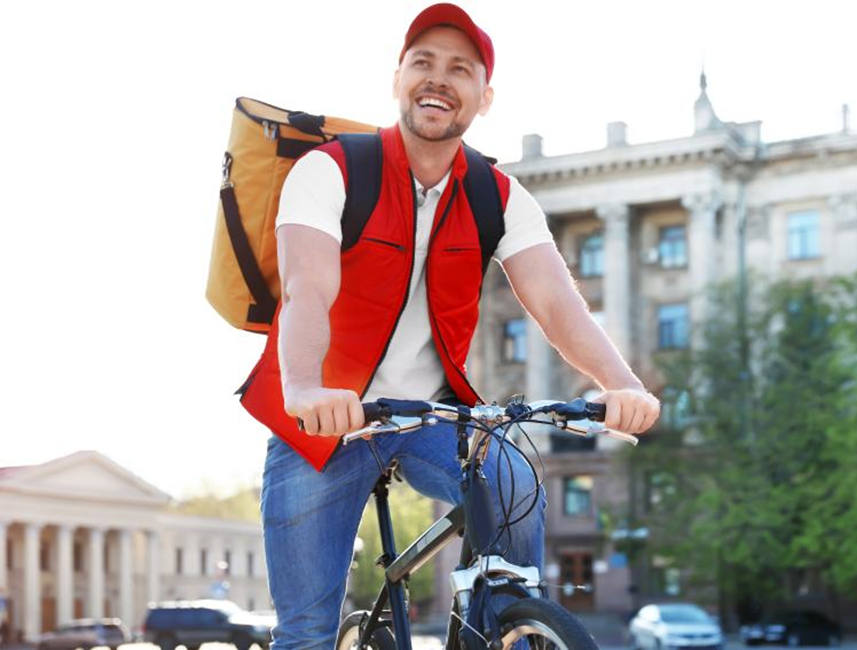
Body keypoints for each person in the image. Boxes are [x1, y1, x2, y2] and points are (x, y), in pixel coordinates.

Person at [237, 4, 661, 649]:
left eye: (460, 69)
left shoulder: (499, 195)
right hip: (324, 420)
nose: (439, 79)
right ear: (398, 78)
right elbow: (307, 289)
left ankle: (504, 618)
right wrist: (303, 389)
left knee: (513, 472)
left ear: (483, 97)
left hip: (433, 417)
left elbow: (556, 302)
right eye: (423, 63)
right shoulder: (332, 169)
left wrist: (622, 385)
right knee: (306, 632)